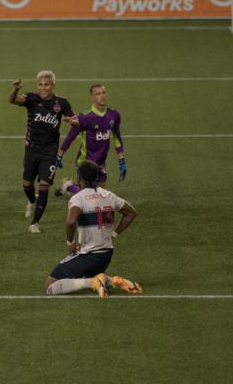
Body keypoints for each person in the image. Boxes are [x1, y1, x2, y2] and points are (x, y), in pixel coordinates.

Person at [44, 160, 142, 298]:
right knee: (81, 276)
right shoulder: (109, 195)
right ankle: (112, 281)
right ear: (96, 177)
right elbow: (131, 213)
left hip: (88, 255)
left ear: (79, 178)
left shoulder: (79, 198)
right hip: (106, 255)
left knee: (50, 286)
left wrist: (69, 241)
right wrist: (114, 233)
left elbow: (71, 222)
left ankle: (94, 282)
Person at [8, 70, 75, 233]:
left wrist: (72, 120)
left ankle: (35, 223)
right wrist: (15, 89)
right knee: (27, 185)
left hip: (50, 151)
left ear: (52, 85)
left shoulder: (62, 102)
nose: (43, 88)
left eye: (46, 85)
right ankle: (31, 201)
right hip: (32, 149)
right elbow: (12, 100)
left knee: (44, 185)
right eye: (40, 84)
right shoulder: (32, 98)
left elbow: (74, 120)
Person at [55, 84, 127, 196]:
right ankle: (68, 187)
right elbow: (70, 137)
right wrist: (59, 155)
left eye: (103, 93)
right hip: (85, 161)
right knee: (87, 195)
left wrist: (121, 161)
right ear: (92, 98)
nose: (102, 96)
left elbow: (117, 138)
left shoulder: (114, 115)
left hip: (101, 162)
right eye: (98, 94)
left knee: (100, 195)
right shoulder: (85, 116)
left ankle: (69, 186)